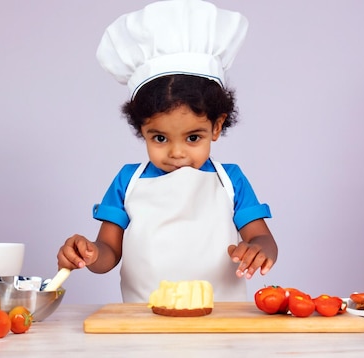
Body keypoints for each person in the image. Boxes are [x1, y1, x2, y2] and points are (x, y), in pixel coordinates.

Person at [56, 0, 278, 303]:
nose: (176, 153)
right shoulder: (127, 182)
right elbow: (109, 253)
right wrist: (90, 254)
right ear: (141, 130)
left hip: (221, 321)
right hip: (143, 321)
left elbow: (261, 237)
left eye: (193, 138)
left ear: (216, 126)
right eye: (159, 138)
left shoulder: (231, 180)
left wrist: (259, 249)